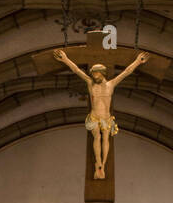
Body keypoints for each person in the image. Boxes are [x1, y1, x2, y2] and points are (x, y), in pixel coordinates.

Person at [54, 47, 149, 178]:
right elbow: (76, 70)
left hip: (106, 118)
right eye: (93, 74)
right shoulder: (90, 83)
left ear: (102, 73)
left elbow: (126, 72)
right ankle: (98, 162)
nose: (94, 76)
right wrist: (65, 60)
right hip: (94, 117)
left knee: (105, 138)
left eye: (96, 74)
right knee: (97, 137)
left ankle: (102, 165)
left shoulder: (111, 84)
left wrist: (138, 61)